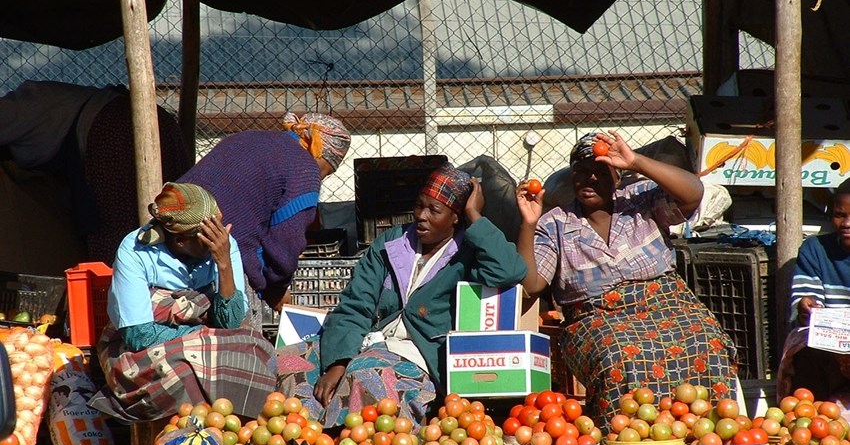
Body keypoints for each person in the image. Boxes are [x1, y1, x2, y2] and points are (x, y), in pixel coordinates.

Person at [276, 163, 527, 427]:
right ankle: (295, 441)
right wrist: (338, 362)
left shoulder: (469, 252)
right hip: (371, 340)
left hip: (422, 354)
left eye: (435, 210)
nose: (421, 215)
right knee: (290, 360)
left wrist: (475, 215)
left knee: (368, 374)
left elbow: (510, 270)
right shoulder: (392, 244)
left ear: (456, 217)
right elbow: (354, 305)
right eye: (419, 205)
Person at [515, 131, 738, 426]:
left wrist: (636, 161)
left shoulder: (641, 199)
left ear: (618, 178)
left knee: (707, 341)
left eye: (599, 172)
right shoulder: (555, 223)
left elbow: (693, 193)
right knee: (620, 354)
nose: (590, 180)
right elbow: (531, 286)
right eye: (581, 173)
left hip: (667, 305)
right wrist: (528, 224)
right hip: (596, 316)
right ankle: (624, 437)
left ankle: (706, 428)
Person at [88, 182, 277, 422]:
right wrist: (204, 335)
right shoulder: (135, 251)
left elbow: (230, 323)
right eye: (206, 238)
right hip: (138, 350)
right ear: (180, 241)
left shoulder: (222, 246)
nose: (217, 241)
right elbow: (138, 335)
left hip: (208, 339)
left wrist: (224, 263)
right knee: (184, 372)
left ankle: (235, 426)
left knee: (257, 350)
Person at [178, 112, 351, 328]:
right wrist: (275, 289)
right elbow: (286, 242)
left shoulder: (245, 138)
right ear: (321, 155)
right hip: (221, 257)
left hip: (175, 241)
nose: (324, 177)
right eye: (329, 170)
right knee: (241, 347)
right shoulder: (305, 169)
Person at [0, 80, 193, 266]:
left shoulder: (18, 107)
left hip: (118, 130)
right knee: (170, 219)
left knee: (118, 229)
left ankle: (124, 286)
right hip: (152, 120)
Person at [777, 178, 850, 405]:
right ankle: (813, 409)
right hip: (829, 348)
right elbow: (806, 302)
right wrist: (805, 307)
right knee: (806, 347)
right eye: (840, 215)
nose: (847, 223)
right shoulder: (815, 250)